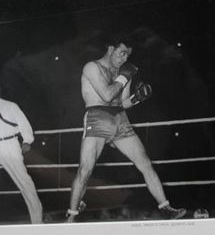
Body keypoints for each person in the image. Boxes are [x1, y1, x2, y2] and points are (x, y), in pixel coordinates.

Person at [66, 36, 186, 222]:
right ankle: (71, 216)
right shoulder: (92, 67)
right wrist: (124, 76)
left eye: (127, 56)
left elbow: (123, 102)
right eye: (122, 53)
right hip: (97, 117)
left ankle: (166, 208)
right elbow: (106, 96)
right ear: (111, 49)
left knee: (145, 163)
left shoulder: (124, 71)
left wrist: (138, 98)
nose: (124, 59)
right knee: (86, 169)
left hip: (121, 119)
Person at [0, 80, 43, 224]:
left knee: (25, 183)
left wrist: (27, 141)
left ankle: (37, 221)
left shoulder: (11, 106)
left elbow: (24, 124)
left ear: (0, 90)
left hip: (9, 146)